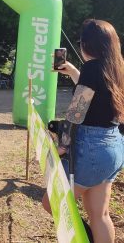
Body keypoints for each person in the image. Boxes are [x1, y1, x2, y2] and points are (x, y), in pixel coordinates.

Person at [42, 19, 124, 242]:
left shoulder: (92, 69)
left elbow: (76, 112)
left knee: (51, 203)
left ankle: (84, 238)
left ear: (87, 45)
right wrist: (75, 72)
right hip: (113, 147)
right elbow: (100, 96)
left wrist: (62, 145)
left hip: (91, 148)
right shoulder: (116, 67)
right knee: (101, 215)